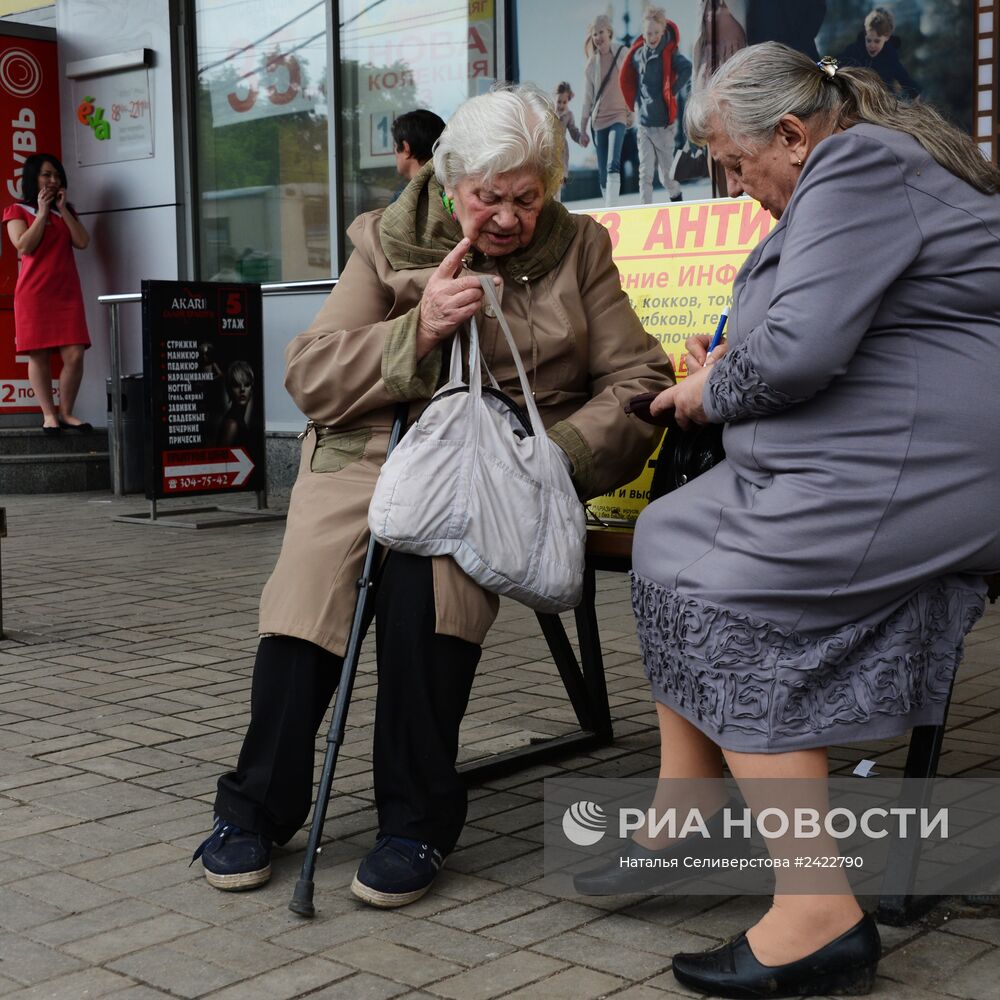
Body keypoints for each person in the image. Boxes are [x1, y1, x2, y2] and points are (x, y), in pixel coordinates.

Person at [619, 44, 1000, 997]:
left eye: (736, 163)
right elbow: (813, 327)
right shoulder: (872, 166)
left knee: (734, 592)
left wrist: (703, 393)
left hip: (927, 472)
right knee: (669, 535)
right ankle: (687, 794)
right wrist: (727, 352)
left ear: (792, 133)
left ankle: (818, 911)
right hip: (883, 460)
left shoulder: (856, 164)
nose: (734, 188)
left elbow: (804, 352)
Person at [191, 85, 674, 908]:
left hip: (494, 465)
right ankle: (259, 805)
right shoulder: (388, 241)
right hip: (369, 452)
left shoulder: (580, 249)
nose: (510, 216)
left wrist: (552, 457)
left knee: (429, 594)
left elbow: (640, 378)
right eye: (490, 196)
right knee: (310, 601)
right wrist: (414, 332)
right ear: (451, 181)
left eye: (528, 196)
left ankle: (414, 819)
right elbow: (310, 372)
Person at [3, 154, 92, 433]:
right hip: (34, 293)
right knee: (38, 354)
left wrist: (62, 210)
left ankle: (66, 412)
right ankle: (49, 414)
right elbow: (24, 246)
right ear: (32, 178)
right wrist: (41, 213)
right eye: (46, 175)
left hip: (67, 293)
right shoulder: (16, 210)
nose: (53, 180)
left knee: (75, 353)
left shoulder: (66, 211)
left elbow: (82, 241)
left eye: (57, 175)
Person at [620, 5, 692, 204]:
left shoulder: (669, 54)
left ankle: (676, 198)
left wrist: (672, 91)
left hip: (663, 125)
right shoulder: (637, 56)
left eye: (656, 33)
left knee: (667, 175)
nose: (652, 37)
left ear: (663, 31)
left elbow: (687, 68)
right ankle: (646, 209)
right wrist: (632, 105)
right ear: (643, 34)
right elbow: (628, 79)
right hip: (644, 124)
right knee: (645, 173)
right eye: (648, 33)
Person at [579, 14, 631, 206]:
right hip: (599, 120)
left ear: (609, 32)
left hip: (619, 116)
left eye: (601, 32)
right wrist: (583, 128)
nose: (598, 37)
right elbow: (587, 100)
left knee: (612, 163)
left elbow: (633, 79)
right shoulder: (591, 65)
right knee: (602, 173)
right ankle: (608, 204)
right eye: (594, 34)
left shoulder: (623, 52)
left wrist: (632, 108)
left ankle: (612, 209)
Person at [837, 7, 921, 99]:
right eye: (868, 40)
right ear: (865, 35)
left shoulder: (890, 57)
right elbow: (838, 61)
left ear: (886, 37)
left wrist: (915, 94)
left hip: (880, 99)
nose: (872, 45)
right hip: (857, 95)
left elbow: (904, 78)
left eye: (877, 41)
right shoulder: (855, 50)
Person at [215, 359, 258, 453]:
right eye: (236, 385)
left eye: (247, 385)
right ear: (229, 389)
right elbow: (221, 463)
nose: (242, 389)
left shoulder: (239, 421)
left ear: (251, 390)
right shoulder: (232, 425)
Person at [392, 108, 446, 182]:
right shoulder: (452, 189)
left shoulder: (410, 193)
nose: (395, 153)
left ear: (406, 148)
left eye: (395, 146)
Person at [553, 81, 585, 201]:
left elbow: (573, 131)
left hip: (561, 151)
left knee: (558, 183)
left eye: (564, 102)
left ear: (568, 101)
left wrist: (580, 139)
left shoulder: (568, 115)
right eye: (559, 101)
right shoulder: (548, 112)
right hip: (549, 150)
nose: (561, 105)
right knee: (549, 180)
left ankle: (557, 206)